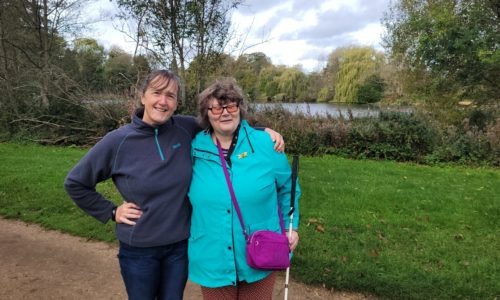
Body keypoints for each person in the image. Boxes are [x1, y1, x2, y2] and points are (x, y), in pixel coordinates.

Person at [64, 70, 284, 300]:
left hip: (179, 247)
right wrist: (111, 211)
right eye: (157, 93)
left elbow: (224, 123)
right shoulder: (118, 141)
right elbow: (76, 183)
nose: (163, 101)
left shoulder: (185, 128)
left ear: (176, 102)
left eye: (170, 95)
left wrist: (262, 132)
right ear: (143, 97)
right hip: (140, 249)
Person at [188, 77, 301, 300]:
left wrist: (292, 226)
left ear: (239, 109)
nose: (225, 112)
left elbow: (288, 188)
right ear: (206, 113)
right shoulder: (193, 147)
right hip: (212, 255)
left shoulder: (266, 144)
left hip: (261, 251)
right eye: (217, 107)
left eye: (231, 105)